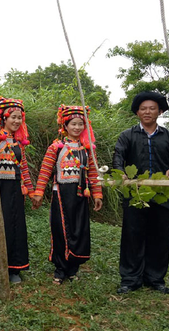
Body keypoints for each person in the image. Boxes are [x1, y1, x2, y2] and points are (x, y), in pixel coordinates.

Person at [112, 91, 169, 294]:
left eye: (152, 108)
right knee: (132, 235)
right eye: (143, 108)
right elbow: (118, 157)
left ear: (159, 111)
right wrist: (121, 173)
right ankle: (130, 279)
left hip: (162, 193)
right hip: (135, 193)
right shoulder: (127, 136)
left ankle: (155, 279)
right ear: (137, 112)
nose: (147, 112)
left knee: (160, 236)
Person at [33, 105, 103, 285]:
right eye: (73, 124)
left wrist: (97, 194)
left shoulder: (88, 148)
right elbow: (45, 171)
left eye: (81, 124)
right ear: (65, 125)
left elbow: (93, 173)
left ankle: (73, 268)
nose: (77, 127)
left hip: (81, 195)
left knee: (79, 230)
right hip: (61, 194)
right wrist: (39, 192)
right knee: (60, 230)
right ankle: (60, 268)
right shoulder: (56, 147)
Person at [0, 97, 35, 284]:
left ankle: (15, 268)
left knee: (16, 227)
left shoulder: (19, 143)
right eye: (13, 117)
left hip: (16, 189)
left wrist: (30, 191)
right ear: (3, 118)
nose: (16, 121)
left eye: (19, 117)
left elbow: (23, 168)